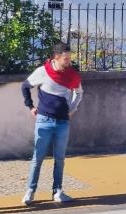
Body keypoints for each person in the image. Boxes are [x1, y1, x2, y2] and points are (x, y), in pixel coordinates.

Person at [21, 42, 84, 205]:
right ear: (56, 57)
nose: (69, 62)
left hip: (63, 122)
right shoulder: (43, 72)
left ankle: (57, 191)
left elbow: (79, 92)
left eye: (70, 58)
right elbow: (25, 86)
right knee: (38, 157)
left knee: (60, 158)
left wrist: (72, 109)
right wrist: (30, 106)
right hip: (44, 120)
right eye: (66, 58)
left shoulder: (72, 74)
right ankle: (30, 191)